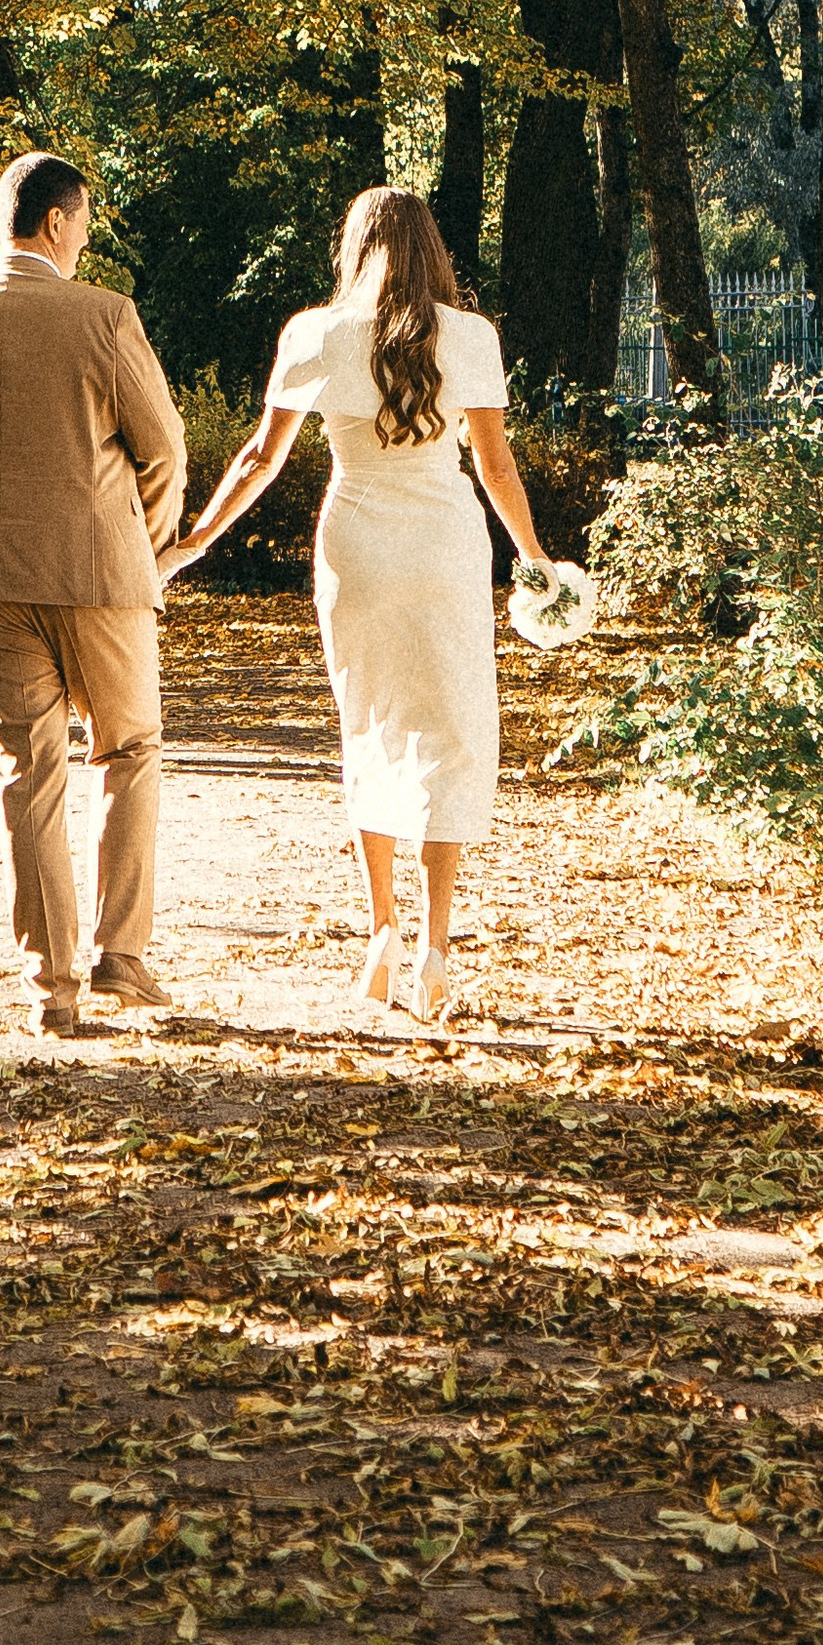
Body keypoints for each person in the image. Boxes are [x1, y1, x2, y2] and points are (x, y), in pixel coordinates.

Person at [160, 185, 543, 1023]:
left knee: (366, 720)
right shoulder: (469, 336)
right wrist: (535, 556)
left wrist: (196, 539)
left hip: (357, 550)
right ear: (432, 249)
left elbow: (261, 457)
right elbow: (497, 468)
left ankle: (381, 933)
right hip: (445, 550)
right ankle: (437, 949)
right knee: (451, 730)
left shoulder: (316, 334)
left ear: (352, 247)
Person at [0, 152, 188, 1038]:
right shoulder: (104, 315)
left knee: (28, 776)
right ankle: (121, 954)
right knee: (129, 747)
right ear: (57, 222)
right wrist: (147, 539)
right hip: (99, 571)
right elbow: (164, 445)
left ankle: (52, 985)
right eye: (85, 219)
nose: (86, 234)